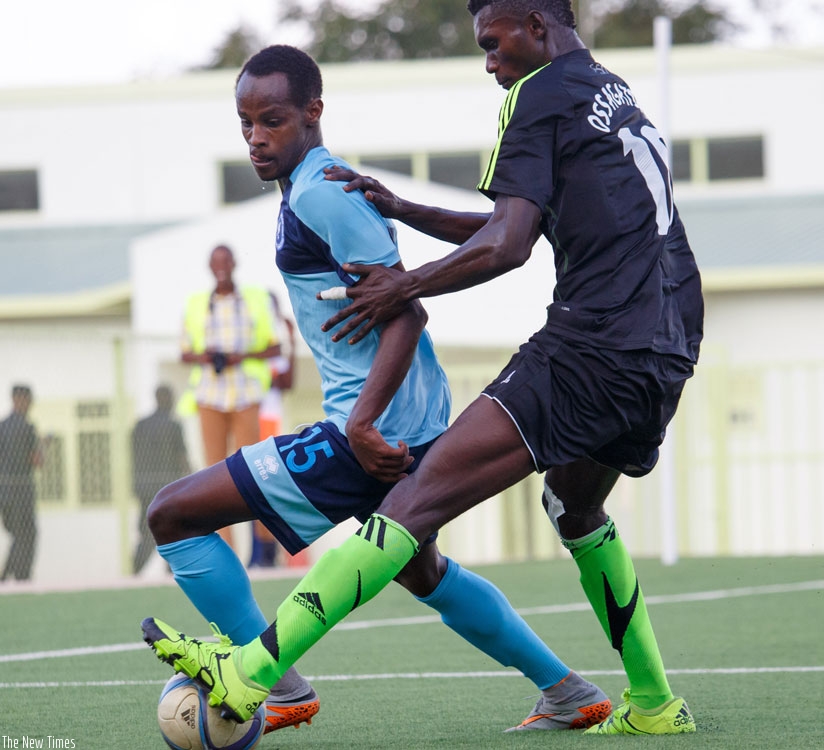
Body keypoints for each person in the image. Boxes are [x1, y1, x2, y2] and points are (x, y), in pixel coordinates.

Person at [141, 0, 704, 738]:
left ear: (537, 24)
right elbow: (526, 229)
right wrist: (405, 208)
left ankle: (255, 677)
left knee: (395, 514)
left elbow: (500, 250)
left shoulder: (532, 97)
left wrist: (402, 290)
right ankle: (645, 702)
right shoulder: (610, 92)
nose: (490, 62)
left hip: (589, 344)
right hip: (670, 336)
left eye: (494, 42)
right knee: (568, 507)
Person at [180, 244, 282, 551]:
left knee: (253, 468)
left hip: (245, 394)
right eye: (216, 263)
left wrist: (242, 356)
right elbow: (184, 353)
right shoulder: (197, 303)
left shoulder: (254, 300)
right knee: (214, 474)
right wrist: (207, 356)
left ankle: (265, 547)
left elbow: (275, 347)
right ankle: (227, 549)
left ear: (235, 264)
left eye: (226, 262)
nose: (221, 268)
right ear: (210, 267)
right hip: (210, 395)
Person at [249, 293, 297, 569]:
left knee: (264, 485)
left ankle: (267, 552)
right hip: (246, 419)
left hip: (268, 422)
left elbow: (286, 383)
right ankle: (257, 553)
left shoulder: (273, 350)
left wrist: (290, 342)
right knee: (247, 486)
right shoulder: (252, 346)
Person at [131, 385, 191, 575]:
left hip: (145, 486)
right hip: (168, 487)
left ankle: (134, 571)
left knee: (147, 531)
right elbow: (182, 457)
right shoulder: (173, 425)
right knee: (173, 530)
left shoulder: (140, 426)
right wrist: (191, 481)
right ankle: (172, 572)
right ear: (166, 398)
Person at [0, 385, 44, 582]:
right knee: (27, 535)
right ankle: (21, 578)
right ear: (23, 400)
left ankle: (8, 577)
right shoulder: (27, 427)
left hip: (4, 492)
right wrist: (44, 446)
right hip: (22, 491)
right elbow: (36, 461)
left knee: (18, 535)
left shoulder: (2, 427)